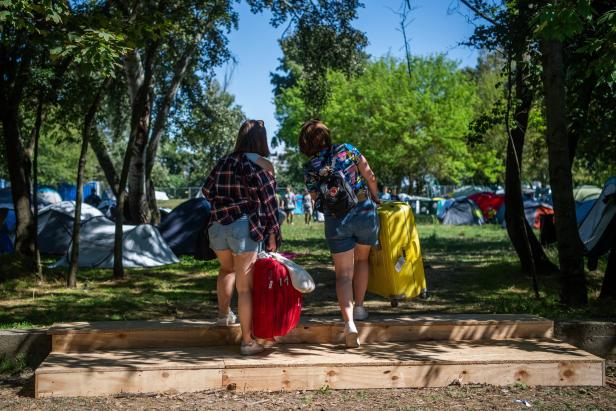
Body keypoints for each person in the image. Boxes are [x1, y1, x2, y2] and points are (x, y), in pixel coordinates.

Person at [202, 119, 281, 356]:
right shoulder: (262, 164)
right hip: (244, 227)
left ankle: (223, 316)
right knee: (245, 288)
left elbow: (207, 190)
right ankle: (247, 342)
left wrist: (224, 202)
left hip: (217, 226)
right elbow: (269, 202)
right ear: (261, 140)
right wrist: (274, 233)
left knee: (227, 270)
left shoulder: (224, 161)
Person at [299, 120, 380, 348]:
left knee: (343, 275)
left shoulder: (310, 167)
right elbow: (370, 175)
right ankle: (361, 306)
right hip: (364, 210)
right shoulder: (347, 149)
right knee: (362, 259)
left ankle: (349, 322)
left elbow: (316, 199)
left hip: (336, 219)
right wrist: (375, 196)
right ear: (326, 135)